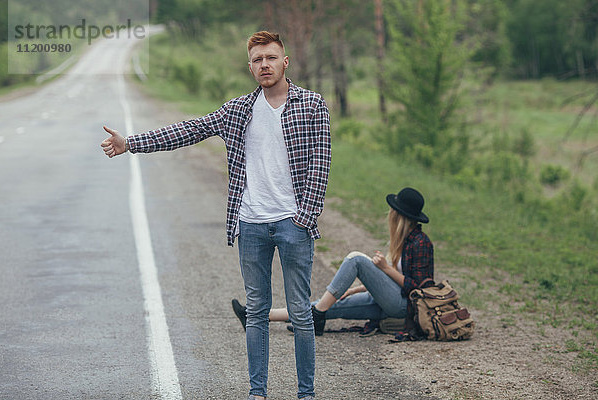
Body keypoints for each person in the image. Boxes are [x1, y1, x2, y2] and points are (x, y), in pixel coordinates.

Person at [101, 31, 331, 400]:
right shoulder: (238, 110)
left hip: (293, 223)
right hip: (251, 222)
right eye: (257, 60)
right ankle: (258, 393)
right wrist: (131, 143)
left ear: (285, 62)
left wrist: (306, 216)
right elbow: (188, 130)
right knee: (256, 312)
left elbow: (321, 163)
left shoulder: (312, 106)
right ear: (250, 67)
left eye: (271, 58)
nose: (264, 65)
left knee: (301, 313)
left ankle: (306, 394)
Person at [233, 187, 433, 338]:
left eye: (392, 211)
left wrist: (386, 268)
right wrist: (351, 291)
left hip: (402, 306)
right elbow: (383, 283)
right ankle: (254, 316)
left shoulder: (420, 243)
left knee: (356, 259)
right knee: (330, 304)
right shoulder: (403, 240)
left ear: (398, 216)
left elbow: (419, 288)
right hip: (385, 300)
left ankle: (317, 315)